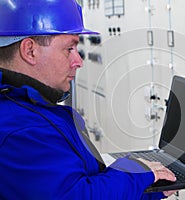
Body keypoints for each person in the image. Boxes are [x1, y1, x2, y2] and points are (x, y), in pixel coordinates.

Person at [0, 0, 176, 199]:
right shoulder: (22, 130)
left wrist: (147, 189)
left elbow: (68, 185)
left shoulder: (27, 107)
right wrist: (135, 171)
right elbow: (75, 195)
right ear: (30, 50)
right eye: (69, 49)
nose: (79, 61)